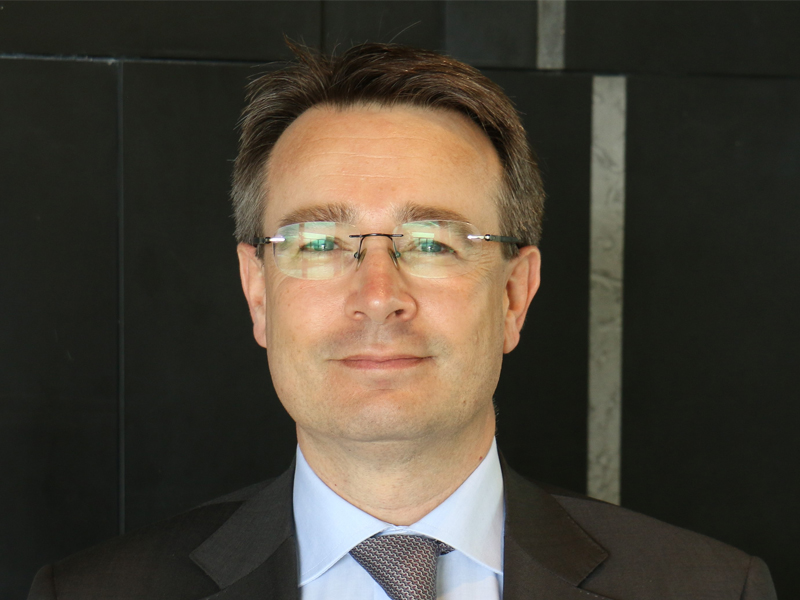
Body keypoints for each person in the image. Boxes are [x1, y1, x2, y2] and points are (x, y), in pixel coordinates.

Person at [28, 42, 776, 600]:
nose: (379, 295)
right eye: (320, 244)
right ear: (258, 294)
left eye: (432, 243)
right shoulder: (91, 594)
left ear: (514, 295)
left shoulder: (711, 589)